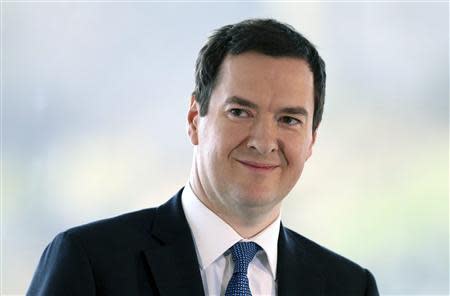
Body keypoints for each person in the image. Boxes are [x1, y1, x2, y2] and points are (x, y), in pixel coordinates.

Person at [28, 18, 379, 296]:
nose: (263, 141)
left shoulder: (348, 286)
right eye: (240, 112)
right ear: (195, 119)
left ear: (311, 141)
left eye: (288, 120)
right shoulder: (90, 263)